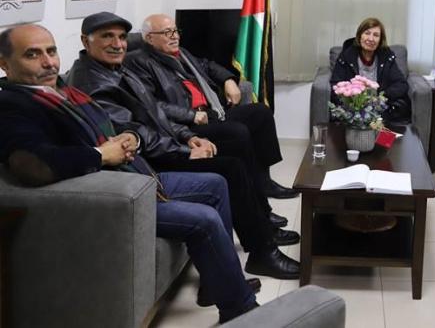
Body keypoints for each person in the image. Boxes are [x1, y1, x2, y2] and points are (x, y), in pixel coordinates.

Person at [0, 24, 259, 323]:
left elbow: (118, 123)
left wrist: (130, 138)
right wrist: (101, 154)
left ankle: (218, 282)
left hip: (134, 171)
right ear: (5, 64)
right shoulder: (12, 106)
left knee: (215, 183)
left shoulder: (62, 90)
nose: (48, 62)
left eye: (51, 51)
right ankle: (240, 308)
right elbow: (33, 165)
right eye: (33, 55)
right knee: (205, 218)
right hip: (110, 195)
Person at [65, 12, 300, 280]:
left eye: (121, 37)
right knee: (231, 166)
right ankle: (261, 252)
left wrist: (187, 137)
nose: (118, 44)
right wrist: (186, 149)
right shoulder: (93, 83)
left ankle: (262, 231)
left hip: (166, 143)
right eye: (107, 37)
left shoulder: (114, 69)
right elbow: (137, 134)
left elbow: (154, 114)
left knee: (238, 147)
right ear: (85, 40)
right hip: (145, 161)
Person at [125, 13, 296, 201]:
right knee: (238, 131)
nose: (175, 36)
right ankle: (253, 192)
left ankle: (264, 181)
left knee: (260, 113)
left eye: (175, 31)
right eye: (167, 33)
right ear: (149, 38)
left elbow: (207, 65)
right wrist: (190, 115)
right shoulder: (138, 62)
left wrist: (228, 80)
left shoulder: (181, 53)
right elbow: (151, 104)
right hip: (187, 124)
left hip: (212, 112)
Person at [330, 17, 411, 125]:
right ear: (359, 36)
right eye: (367, 33)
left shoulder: (386, 57)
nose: (371, 39)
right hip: (353, 111)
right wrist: (353, 102)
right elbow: (335, 85)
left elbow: (401, 84)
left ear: (380, 40)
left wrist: (380, 97)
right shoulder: (346, 56)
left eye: (376, 35)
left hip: (381, 111)